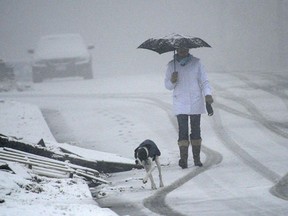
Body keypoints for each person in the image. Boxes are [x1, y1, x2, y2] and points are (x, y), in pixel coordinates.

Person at [164, 47, 213, 168]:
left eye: (185, 49)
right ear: (176, 50)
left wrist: (207, 94)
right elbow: (168, 86)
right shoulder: (172, 65)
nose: (183, 51)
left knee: (196, 130)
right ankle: (184, 160)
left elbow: (204, 81)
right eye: (181, 49)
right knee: (183, 131)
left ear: (188, 49)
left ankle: (197, 159)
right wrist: (172, 80)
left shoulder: (197, 63)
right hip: (180, 102)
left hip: (195, 101)